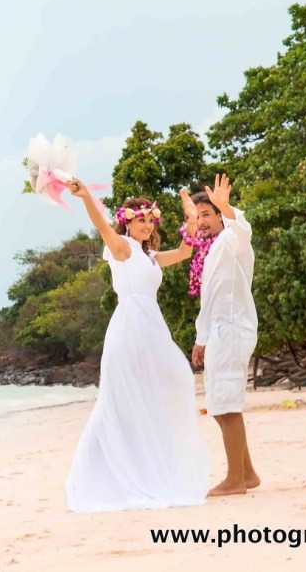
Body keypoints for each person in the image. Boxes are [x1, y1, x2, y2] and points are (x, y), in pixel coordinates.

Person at [63, 178, 210, 513]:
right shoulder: (123, 249)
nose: (146, 225)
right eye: (140, 220)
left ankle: (147, 466)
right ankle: (107, 473)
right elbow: (102, 226)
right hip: (130, 329)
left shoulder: (151, 256)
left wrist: (190, 217)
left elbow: (185, 251)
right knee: (122, 402)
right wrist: (86, 198)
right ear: (127, 222)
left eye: (149, 220)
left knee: (167, 387)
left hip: (151, 329)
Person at [184, 174, 260, 497]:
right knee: (220, 402)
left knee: (225, 406)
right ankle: (247, 473)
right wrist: (201, 338)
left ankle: (235, 480)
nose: (201, 221)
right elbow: (210, 300)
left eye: (207, 214)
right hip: (218, 332)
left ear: (219, 216)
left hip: (232, 330)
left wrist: (227, 207)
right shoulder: (211, 249)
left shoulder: (231, 240)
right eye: (197, 216)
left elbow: (242, 231)